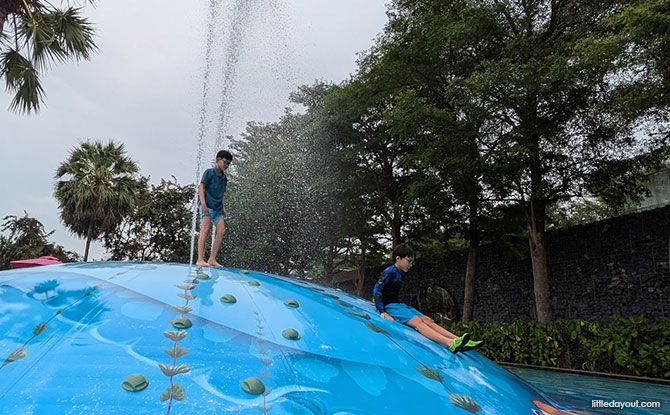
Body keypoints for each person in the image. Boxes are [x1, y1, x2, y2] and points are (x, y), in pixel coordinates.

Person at [373, 244, 483, 354]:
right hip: (389, 306)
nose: (411, 265)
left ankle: (459, 340)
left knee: (427, 319)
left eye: (412, 262)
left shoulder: (399, 273)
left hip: (398, 305)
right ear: (398, 258)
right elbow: (377, 290)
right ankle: (450, 343)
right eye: (409, 261)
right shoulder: (389, 272)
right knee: (418, 321)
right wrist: (383, 312)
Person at [196, 150, 233, 267]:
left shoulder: (224, 178)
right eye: (225, 162)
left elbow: (222, 193)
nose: (226, 165)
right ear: (218, 160)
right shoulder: (209, 172)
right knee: (206, 229)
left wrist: (223, 207)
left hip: (217, 207)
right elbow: (201, 187)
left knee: (221, 230)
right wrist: (203, 203)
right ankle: (200, 259)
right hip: (207, 205)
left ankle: (212, 258)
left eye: (228, 164)